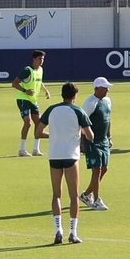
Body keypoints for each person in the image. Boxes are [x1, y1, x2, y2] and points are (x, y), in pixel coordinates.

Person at [36, 82, 93, 245]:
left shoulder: (52, 110)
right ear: (74, 96)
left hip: (54, 155)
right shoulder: (78, 111)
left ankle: (57, 230)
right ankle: (73, 232)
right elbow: (90, 136)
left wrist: (53, 135)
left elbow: (38, 132)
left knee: (56, 195)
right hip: (71, 156)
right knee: (74, 195)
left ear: (62, 94)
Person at [79, 77, 114, 212]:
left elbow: (108, 119)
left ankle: (86, 195)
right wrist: (82, 143)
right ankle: (97, 200)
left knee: (104, 169)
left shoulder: (107, 100)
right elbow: (82, 123)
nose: (107, 90)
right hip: (92, 141)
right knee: (97, 169)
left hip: (104, 140)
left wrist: (109, 137)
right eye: (105, 88)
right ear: (97, 89)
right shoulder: (90, 103)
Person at [13, 50, 51, 157]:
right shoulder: (27, 70)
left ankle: (36, 149)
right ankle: (22, 149)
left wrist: (46, 90)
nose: (41, 61)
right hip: (23, 99)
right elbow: (14, 83)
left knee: (38, 124)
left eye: (42, 59)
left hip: (33, 100)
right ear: (34, 59)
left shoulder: (40, 70)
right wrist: (25, 91)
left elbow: (39, 82)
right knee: (28, 122)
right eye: (39, 58)